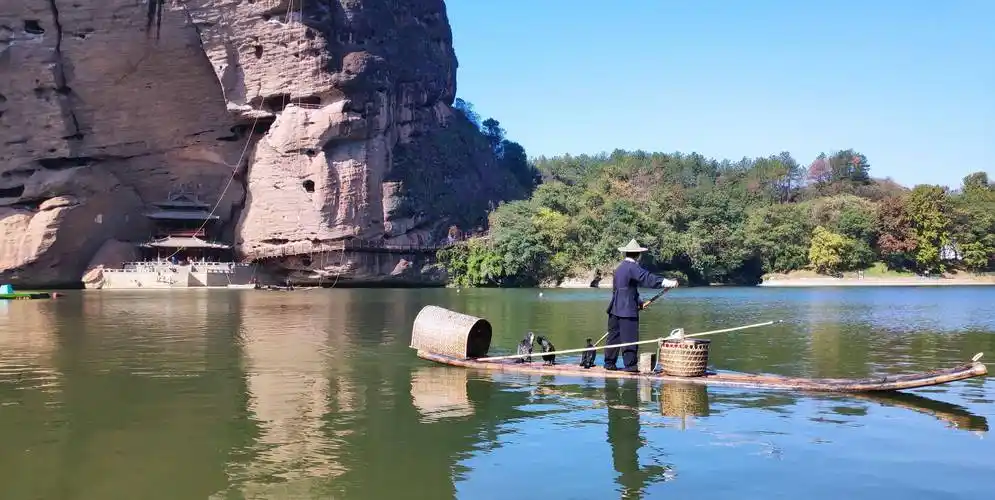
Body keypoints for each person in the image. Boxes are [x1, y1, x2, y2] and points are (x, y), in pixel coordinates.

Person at [604, 239, 678, 372]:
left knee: (613, 337)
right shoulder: (633, 267)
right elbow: (648, 278)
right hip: (627, 310)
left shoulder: (619, 268)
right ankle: (631, 366)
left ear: (626, 253)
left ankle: (609, 364)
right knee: (630, 338)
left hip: (615, 308)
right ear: (638, 255)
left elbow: (626, 289)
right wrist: (668, 282)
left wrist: (639, 302)